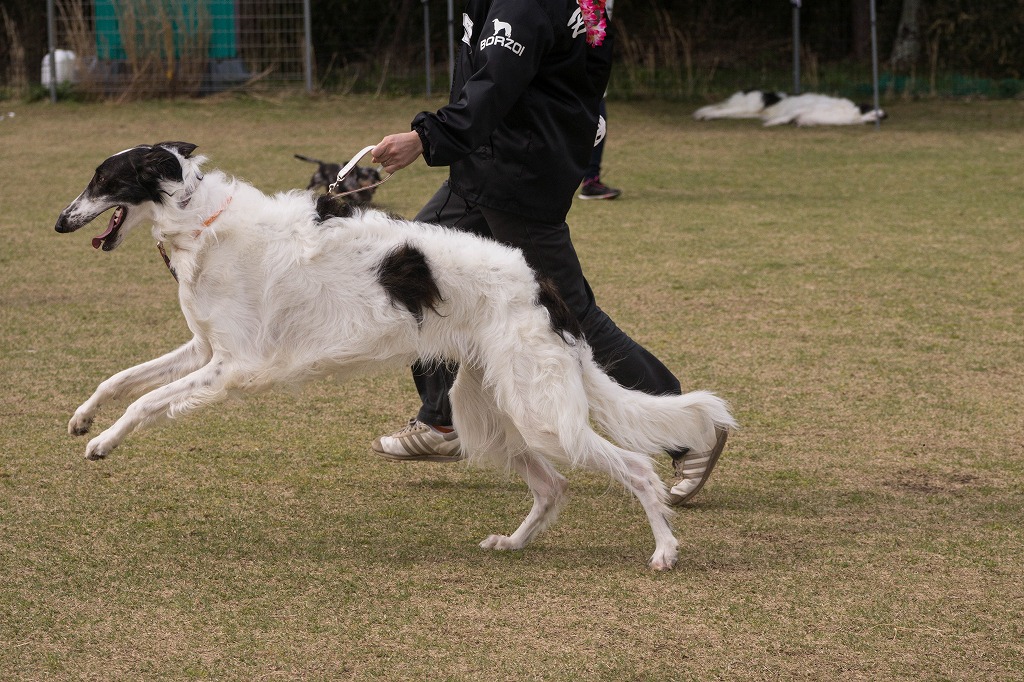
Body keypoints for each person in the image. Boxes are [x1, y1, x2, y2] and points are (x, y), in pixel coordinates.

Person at [367, 0, 725, 505]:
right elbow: (588, 71)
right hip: (483, 171)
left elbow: (494, 87)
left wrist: (425, 138)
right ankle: (443, 418)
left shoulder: (524, 4)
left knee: (570, 315)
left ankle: (688, 431)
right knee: (415, 276)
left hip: (517, 178)